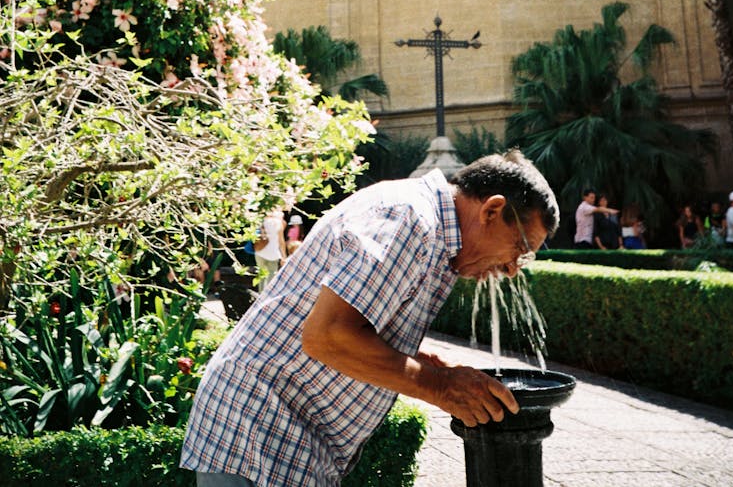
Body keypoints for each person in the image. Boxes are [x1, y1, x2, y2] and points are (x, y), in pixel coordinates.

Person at [181, 151, 559, 487]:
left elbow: (357, 325)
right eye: (520, 249)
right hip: (258, 432)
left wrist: (427, 364)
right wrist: (441, 385)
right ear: (491, 211)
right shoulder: (410, 218)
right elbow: (327, 336)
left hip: (280, 435)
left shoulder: (428, 229)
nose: (512, 270)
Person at [254, 207, 287, 279]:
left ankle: (261, 290)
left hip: (260, 250)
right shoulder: (278, 223)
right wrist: (283, 257)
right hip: (274, 253)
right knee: (271, 277)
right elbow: (281, 241)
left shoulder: (261, 221)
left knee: (261, 277)